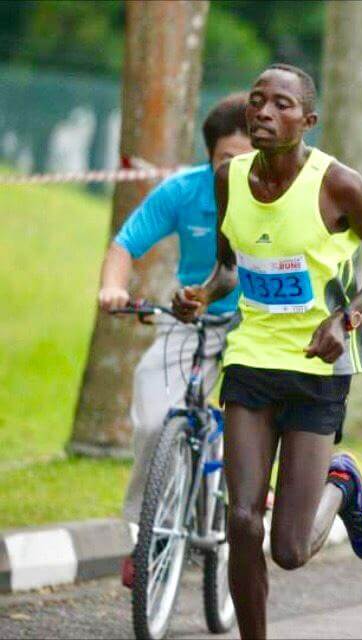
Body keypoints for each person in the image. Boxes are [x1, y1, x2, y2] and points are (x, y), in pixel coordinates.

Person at [171, 64, 362, 639]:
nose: (264, 112)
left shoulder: (338, 184)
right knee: (242, 520)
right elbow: (230, 267)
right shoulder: (229, 178)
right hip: (251, 359)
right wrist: (201, 294)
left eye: (281, 104)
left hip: (316, 366)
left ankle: (343, 481)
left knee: (291, 549)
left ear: (308, 120)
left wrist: (345, 318)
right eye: (257, 100)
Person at [96, 93, 252, 585]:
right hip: (190, 318)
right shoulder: (183, 190)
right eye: (227, 158)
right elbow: (126, 244)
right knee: (154, 419)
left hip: (258, 324)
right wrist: (113, 288)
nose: (237, 169)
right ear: (209, 156)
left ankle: (254, 482)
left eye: (249, 158)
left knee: (263, 407)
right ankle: (151, 533)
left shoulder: (281, 194)